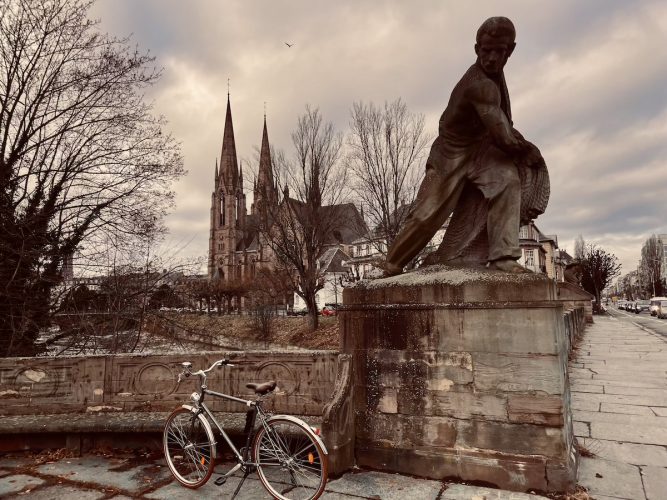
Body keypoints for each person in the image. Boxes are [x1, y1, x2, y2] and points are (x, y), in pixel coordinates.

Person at [382, 17, 547, 276]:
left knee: (507, 180)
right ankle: (392, 264)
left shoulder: (496, 77)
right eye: (485, 50)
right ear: (476, 49)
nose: (491, 58)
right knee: (427, 214)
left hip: (480, 150)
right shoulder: (480, 85)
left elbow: (501, 125)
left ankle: (503, 256)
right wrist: (527, 151)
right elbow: (502, 134)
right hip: (450, 153)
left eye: (499, 51)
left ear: (510, 50)